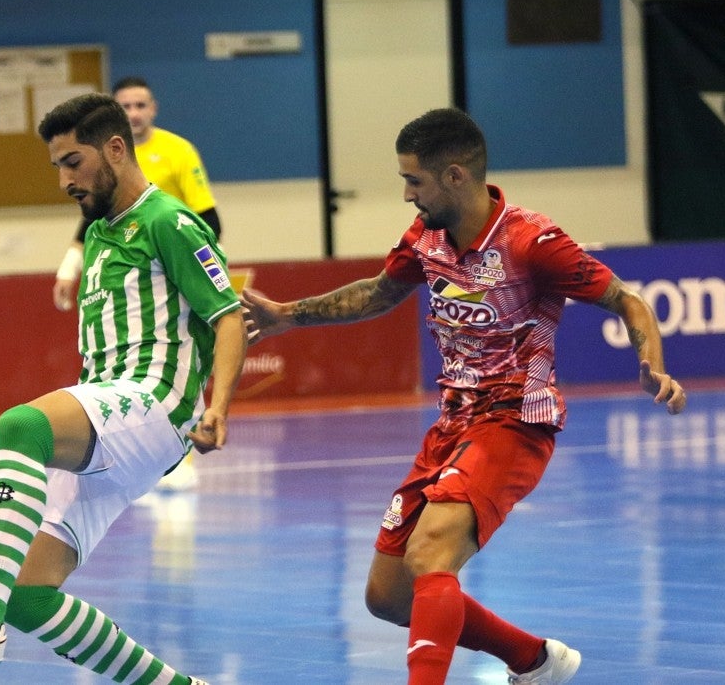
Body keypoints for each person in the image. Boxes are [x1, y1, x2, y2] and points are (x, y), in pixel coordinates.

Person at [240, 108, 686, 685]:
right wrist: (289, 315)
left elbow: (626, 298)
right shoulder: (426, 238)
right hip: (452, 425)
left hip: (515, 419)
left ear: (455, 175)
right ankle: (535, 660)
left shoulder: (531, 241)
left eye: (414, 181)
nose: (407, 194)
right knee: (388, 595)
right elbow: (378, 293)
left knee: (431, 553)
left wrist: (653, 364)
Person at [0, 93, 245, 685]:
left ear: (115, 149)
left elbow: (228, 317)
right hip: (114, 419)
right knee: (28, 594)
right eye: (57, 166)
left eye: (73, 162)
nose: (64, 181)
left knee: (21, 426)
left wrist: (220, 408)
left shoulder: (169, 221)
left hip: (155, 402)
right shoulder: (101, 235)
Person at [54, 77, 222, 493]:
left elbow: (207, 218)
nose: (134, 112)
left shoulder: (178, 151)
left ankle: (176, 453)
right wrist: (69, 267)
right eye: (126, 106)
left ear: (153, 108)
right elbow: (92, 219)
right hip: (126, 266)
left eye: (140, 105)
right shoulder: (96, 161)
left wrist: (190, 262)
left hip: (170, 262)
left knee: (175, 355)